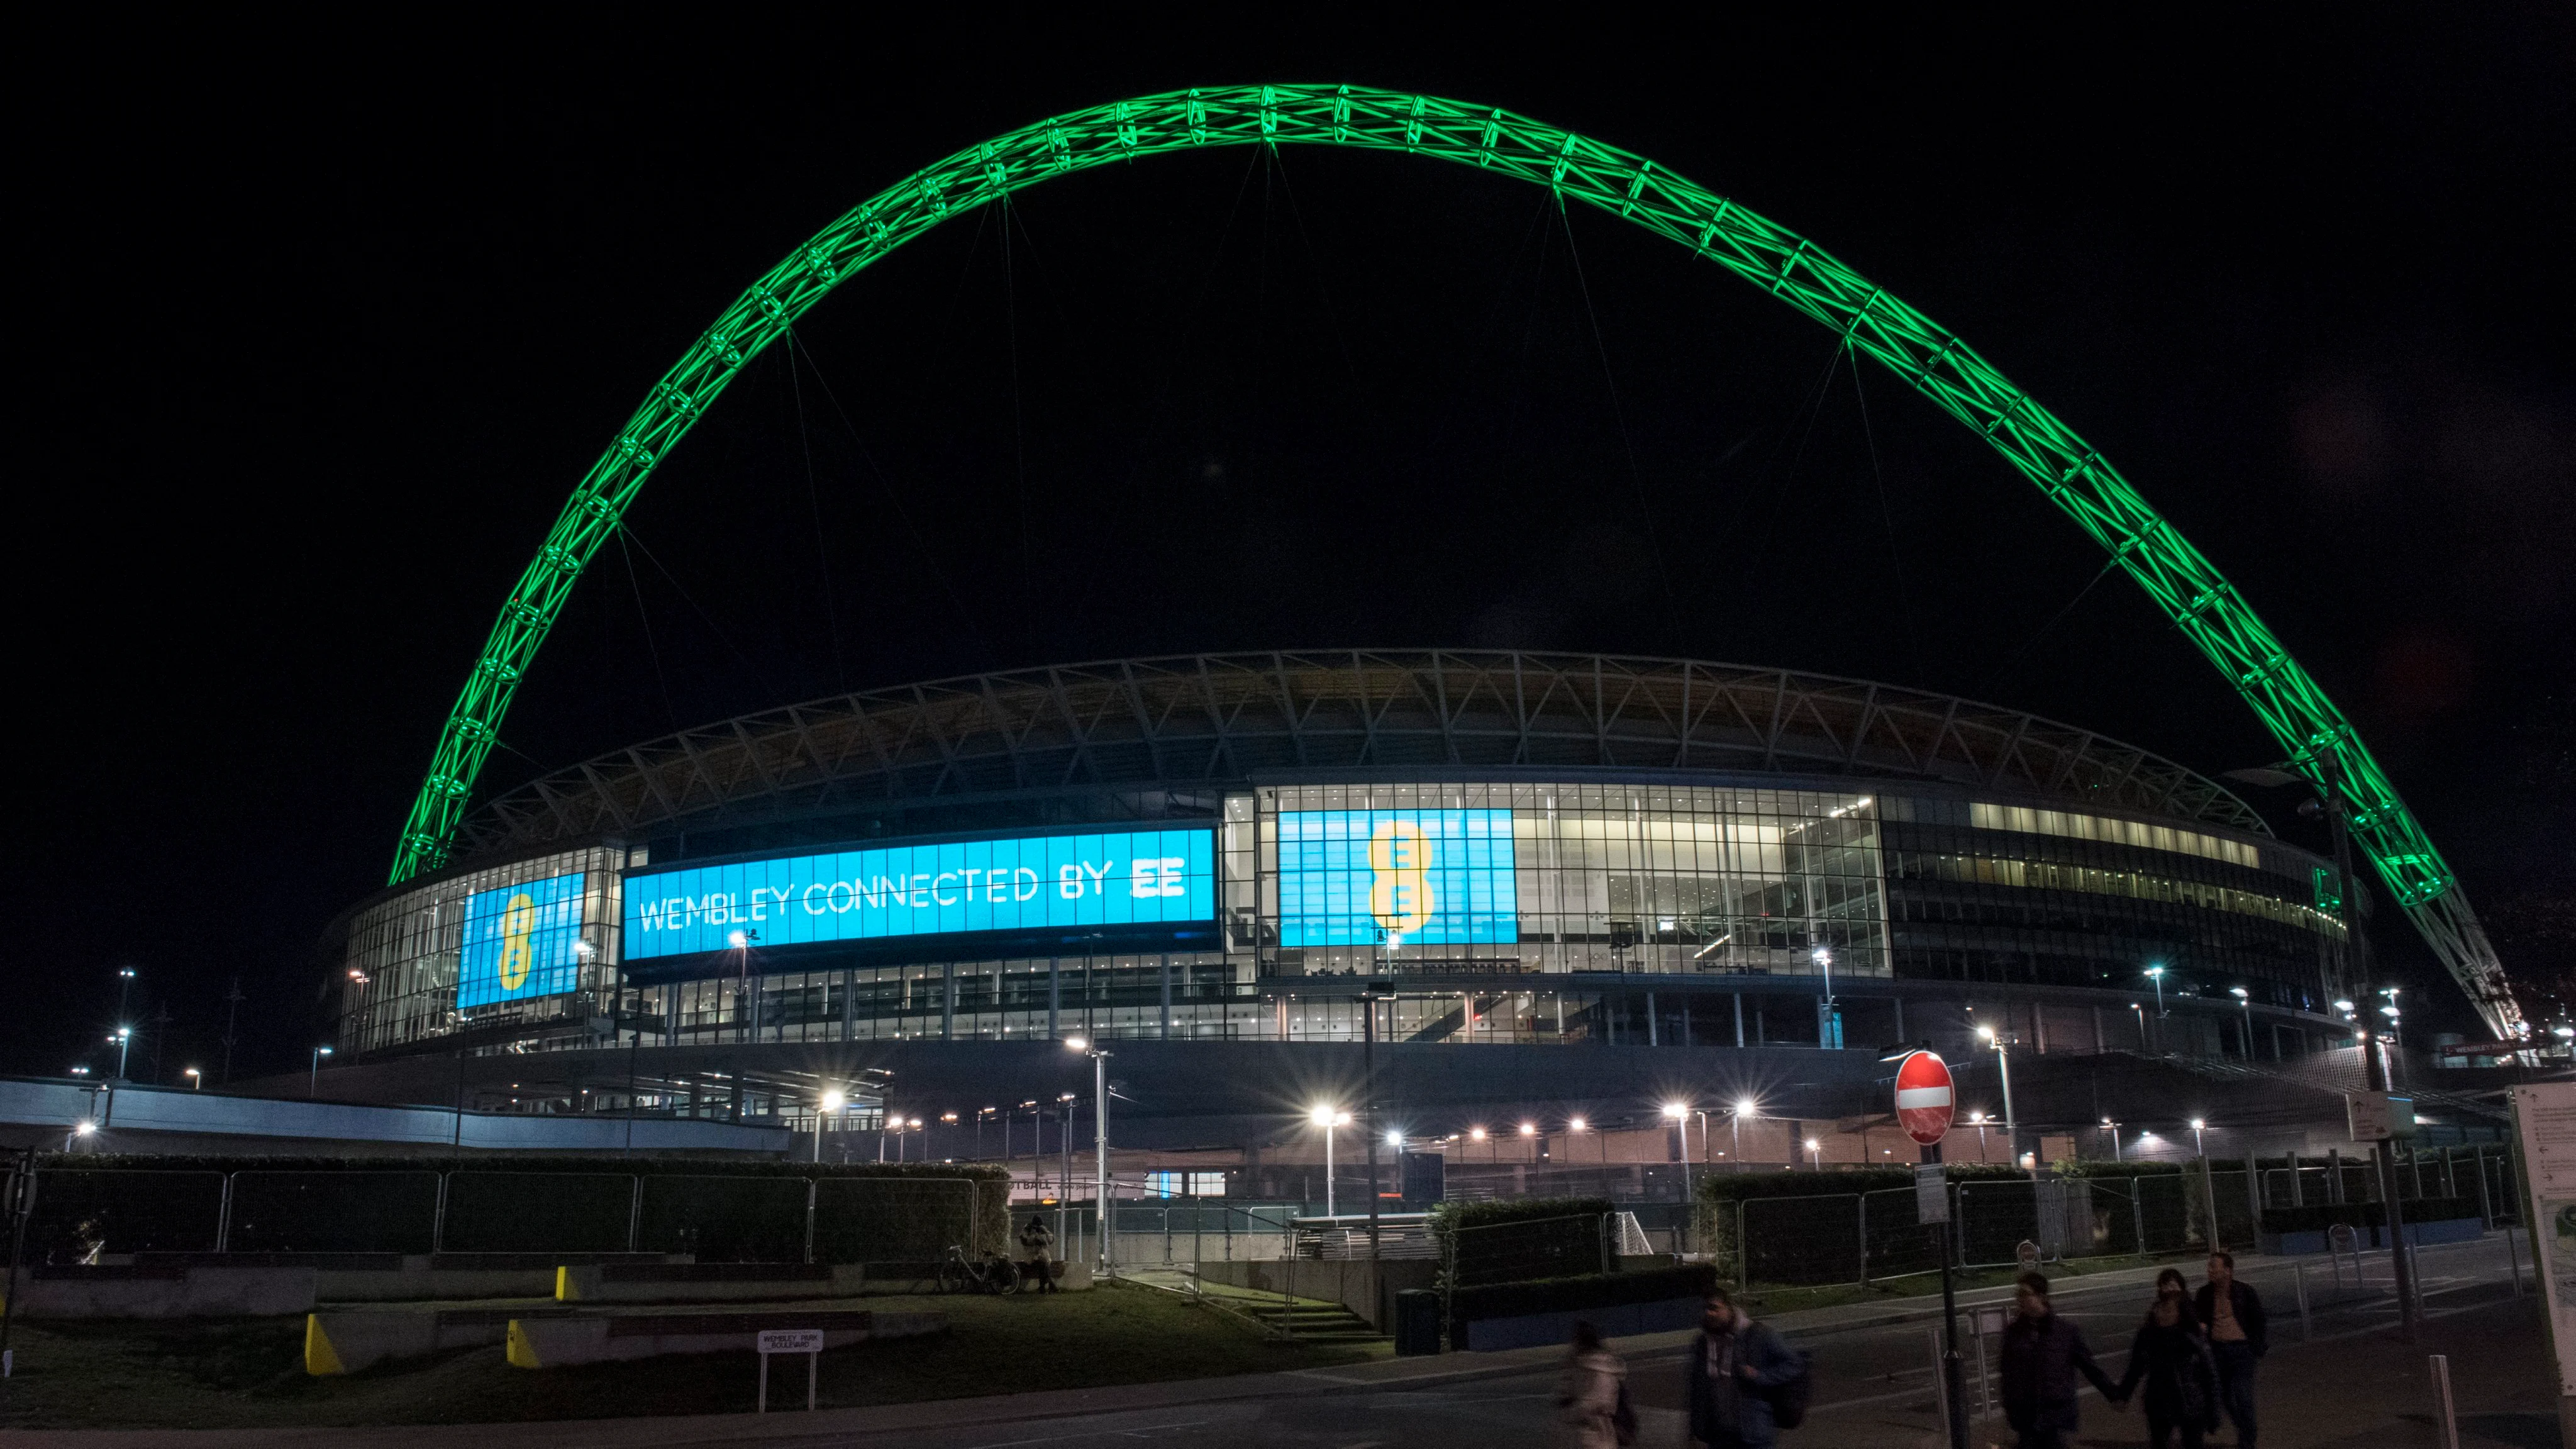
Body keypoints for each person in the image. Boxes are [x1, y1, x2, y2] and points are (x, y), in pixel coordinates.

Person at [1998, 1271, 2119, 1449]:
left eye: (2024, 1294)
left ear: (2042, 1297)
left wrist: (2114, 1395)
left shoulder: (2065, 1332)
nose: (2019, 1299)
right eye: (2018, 1294)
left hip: (2057, 1419)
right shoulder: (2013, 1332)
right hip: (2026, 1420)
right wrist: (2011, 1409)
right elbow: (2007, 1374)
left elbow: (2090, 1368)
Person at [2113, 1267, 2221, 1449]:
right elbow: (2136, 1367)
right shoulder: (2148, 1335)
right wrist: (2123, 1395)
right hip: (2159, 1401)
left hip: (2190, 1400)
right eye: (2160, 1310)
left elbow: (2210, 1373)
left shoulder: (2191, 1334)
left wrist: (2213, 1412)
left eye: (2169, 1310)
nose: (2163, 1314)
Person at [1683, 1285, 1802, 1448]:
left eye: (1714, 1308)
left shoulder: (1758, 1335)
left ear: (1729, 1307)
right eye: (1705, 1309)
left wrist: (1760, 1376)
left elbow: (1793, 1364)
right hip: (1719, 1436)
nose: (1708, 1313)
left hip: (1753, 1435)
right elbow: (1697, 1389)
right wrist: (1695, 1429)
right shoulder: (1703, 1343)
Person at [2193, 1251, 2267, 1448]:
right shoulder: (2204, 1294)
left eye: (2213, 1267)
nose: (2209, 1271)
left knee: (2243, 1396)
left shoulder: (2244, 1292)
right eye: (2209, 1267)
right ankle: (2245, 1429)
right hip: (2218, 1351)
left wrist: (2257, 1347)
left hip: (2242, 1350)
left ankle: (2248, 1440)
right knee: (2225, 1397)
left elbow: (2259, 1320)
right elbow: (2196, 1318)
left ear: (2227, 1270)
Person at [1556, 1320, 1629, 1448]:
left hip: (1593, 1435)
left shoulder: (1590, 1368)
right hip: (1599, 1433)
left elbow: (1595, 1402)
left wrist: (1573, 1412)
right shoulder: (1602, 1365)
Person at [1018, 1213, 1058, 1294]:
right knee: (1043, 1265)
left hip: (1043, 1257)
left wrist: (1044, 1233)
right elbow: (1025, 1240)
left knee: (1043, 1266)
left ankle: (1043, 1288)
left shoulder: (1042, 1229)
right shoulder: (1027, 1230)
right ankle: (1050, 1285)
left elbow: (1051, 1239)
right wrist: (1034, 1236)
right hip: (1031, 1258)